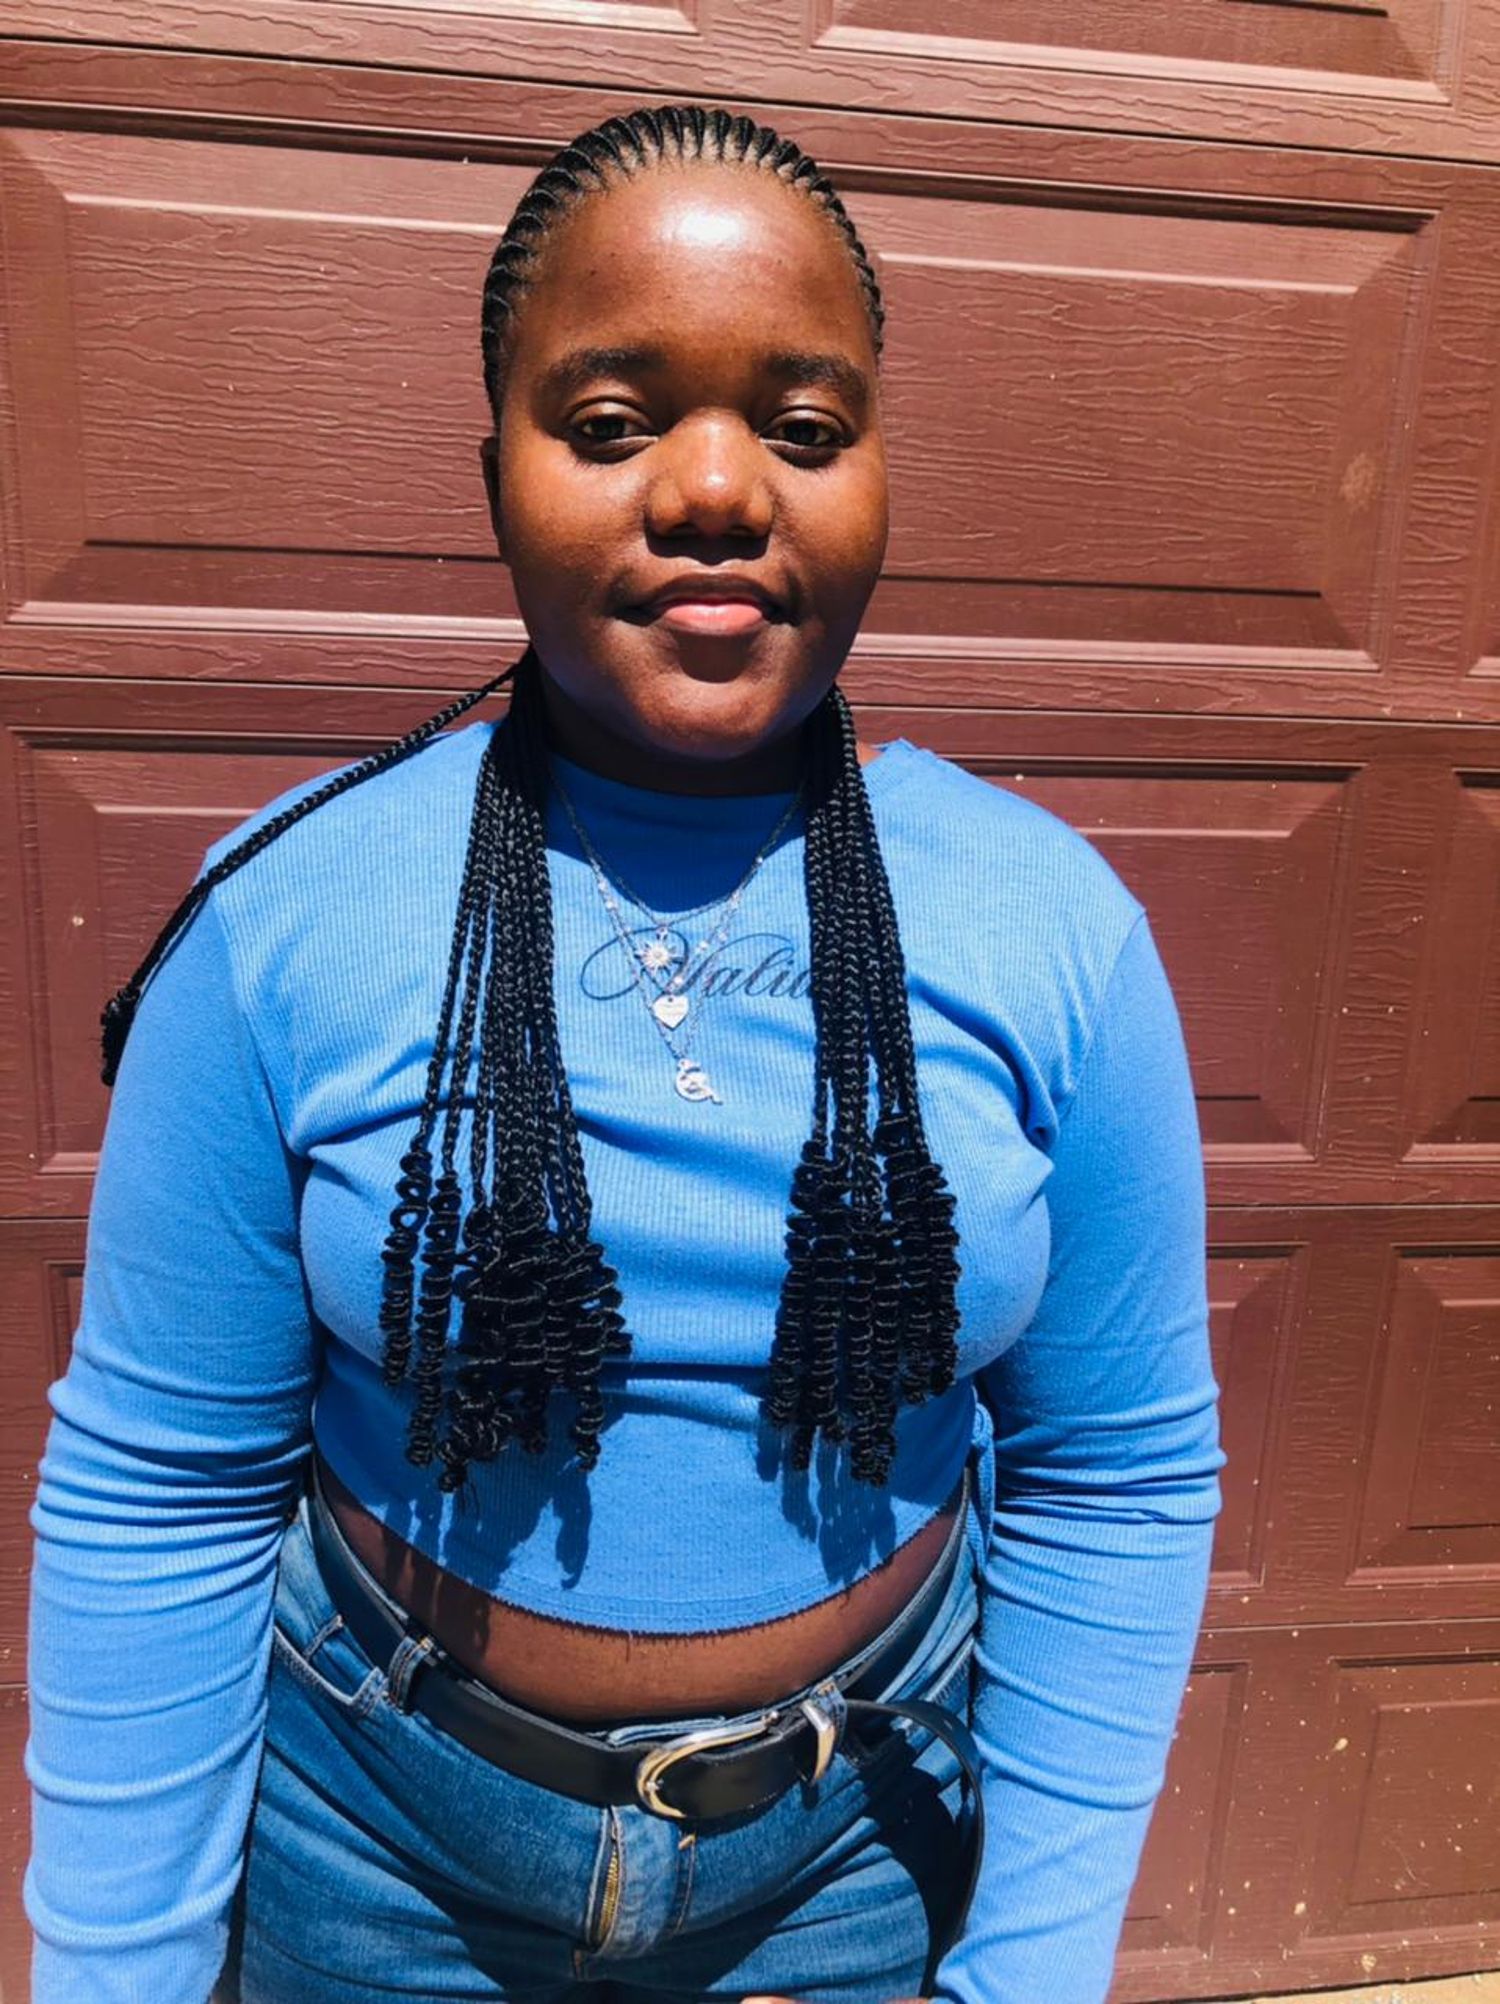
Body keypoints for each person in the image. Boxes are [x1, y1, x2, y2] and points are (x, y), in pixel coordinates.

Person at [24, 103, 1223, 2004]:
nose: (719, 489)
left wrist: (1034, 1967)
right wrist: (118, 1973)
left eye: (807, 429)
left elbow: (1119, 1479)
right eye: (609, 423)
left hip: (855, 1848)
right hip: (376, 1845)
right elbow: (159, 1485)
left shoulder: (1051, 926)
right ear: (494, 471)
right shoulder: (283, 916)